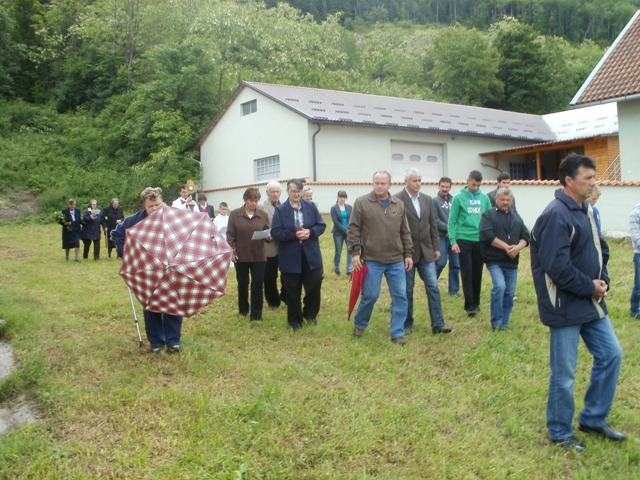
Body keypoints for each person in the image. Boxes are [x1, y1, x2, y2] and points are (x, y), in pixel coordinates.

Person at [530, 153, 625, 452]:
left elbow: (601, 251)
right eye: (588, 178)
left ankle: (593, 418)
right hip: (565, 306)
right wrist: (589, 286)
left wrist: (603, 282)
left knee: (611, 354)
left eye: (594, 178)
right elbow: (556, 267)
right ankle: (559, 431)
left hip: (590, 302)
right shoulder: (555, 215)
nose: (593, 184)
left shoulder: (587, 210)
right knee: (564, 374)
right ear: (569, 180)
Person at [111, 187, 184, 353]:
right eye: (151, 206)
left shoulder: (173, 216)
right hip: (146, 268)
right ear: (144, 205)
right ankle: (156, 342)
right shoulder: (134, 220)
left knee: (174, 301)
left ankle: (173, 341)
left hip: (171, 265)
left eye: (158, 205)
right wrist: (126, 254)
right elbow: (117, 235)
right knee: (151, 303)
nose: (155, 209)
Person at [347, 171, 413, 345]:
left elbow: (405, 231)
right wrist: (355, 254)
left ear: (389, 184)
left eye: (383, 183)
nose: (379, 186)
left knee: (400, 296)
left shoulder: (398, 205)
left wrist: (408, 254)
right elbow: (353, 230)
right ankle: (360, 324)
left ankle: (397, 332)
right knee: (370, 296)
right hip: (371, 259)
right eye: (376, 182)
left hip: (396, 260)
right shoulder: (362, 202)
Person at [394, 169, 451, 334]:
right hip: (408, 253)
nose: (418, 183)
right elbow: (396, 228)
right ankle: (406, 322)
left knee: (433, 286)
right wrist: (403, 252)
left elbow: (432, 225)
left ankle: (438, 324)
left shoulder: (427, 200)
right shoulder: (398, 199)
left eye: (420, 180)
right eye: (415, 181)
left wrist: (436, 247)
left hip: (427, 251)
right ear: (406, 181)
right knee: (407, 289)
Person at [271, 178, 326, 331]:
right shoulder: (281, 210)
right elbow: (275, 232)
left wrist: (310, 232)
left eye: (299, 191)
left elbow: (321, 225)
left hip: (311, 254)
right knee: (292, 288)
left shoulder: (311, 207)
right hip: (290, 255)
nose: (296, 194)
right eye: (293, 191)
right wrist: (294, 235)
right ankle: (295, 320)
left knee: (314, 284)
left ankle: (310, 314)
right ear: (287, 192)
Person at [479, 188, 529, 331]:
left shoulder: (516, 217)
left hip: (512, 262)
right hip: (494, 259)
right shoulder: (488, 215)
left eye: (508, 200)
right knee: (500, 287)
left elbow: (526, 237)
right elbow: (486, 235)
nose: (505, 202)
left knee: (510, 292)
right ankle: (496, 322)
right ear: (496, 199)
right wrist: (506, 247)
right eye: (502, 199)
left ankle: (504, 323)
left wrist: (517, 248)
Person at [448, 170, 491, 317]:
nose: (476, 188)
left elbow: (489, 218)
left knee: (477, 272)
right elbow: (452, 220)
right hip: (463, 239)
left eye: (478, 185)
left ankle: (476, 303)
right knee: (467, 272)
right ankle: (469, 305)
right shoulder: (458, 198)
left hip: (479, 239)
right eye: (473, 185)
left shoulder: (484, 198)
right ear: (468, 181)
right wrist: (453, 241)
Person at [227, 188, 270, 321]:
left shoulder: (263, 215)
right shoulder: (234, 215)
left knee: (257, 284)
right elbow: (230, 235)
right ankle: (243, 309)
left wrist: (269, 235)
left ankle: (256, 315)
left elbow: (267, 231)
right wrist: (232, 250)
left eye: (256, 201)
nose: (253, 203)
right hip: (241, 255)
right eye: (251, 201)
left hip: (258, 255)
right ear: (245, 200)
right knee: (243, 283)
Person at [433, 176, 461, 297]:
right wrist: (448, 228)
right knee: (440, 262)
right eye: (442, 186)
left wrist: (453, 230)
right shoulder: (434, 201)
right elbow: (435, 220)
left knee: (456, 264)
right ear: (438, 186)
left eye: (447, 187)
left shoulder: (454, 200)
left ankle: (454, 291)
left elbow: (458, 217)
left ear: (450, 187)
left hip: (453, 238)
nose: (445, 189)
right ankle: (431, 285)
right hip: (440, 237)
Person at [260, 181, 285, 310]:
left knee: (287, 275)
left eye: (277, 191)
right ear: (267, 193)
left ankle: (285, 296)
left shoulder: (286, 206)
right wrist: (265, 235)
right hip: (269, 247)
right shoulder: (261, 207)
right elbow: (257, 227)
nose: (275, 194)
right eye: (272, 192)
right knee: (269, 277)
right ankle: (273, 302)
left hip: (285, 246)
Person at [330, 190, 353, 276]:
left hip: (349, 232)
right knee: (338, 251)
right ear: (337, 197)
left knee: (350, 250)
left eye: (344, 197)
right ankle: (337, 268)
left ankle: (349, 269)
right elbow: (336, 222)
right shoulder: (334, 208)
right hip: (338, 233)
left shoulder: (349, 207)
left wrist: (350, 230)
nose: (342, 199)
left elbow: (352, 219)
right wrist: (345, 230)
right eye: (341, 197)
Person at [629, 201, 640, 319]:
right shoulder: (635, 214)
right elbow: (636, 237)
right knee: (639, 285)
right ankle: (634, 310)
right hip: (639, 254)